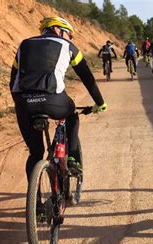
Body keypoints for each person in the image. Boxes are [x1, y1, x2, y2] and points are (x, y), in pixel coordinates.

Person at [9, 16, 107, 184]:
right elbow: (87, 77)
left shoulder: (23, 45)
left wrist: (21, 104)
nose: (70, 38)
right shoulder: (68, 46)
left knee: (35, 153)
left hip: (24, 104)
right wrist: (100, 102)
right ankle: (73, 158)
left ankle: (37, 205)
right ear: (58, 30)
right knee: (71, 113)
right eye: (70, 34)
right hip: (53, 101)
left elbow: (13, 81)